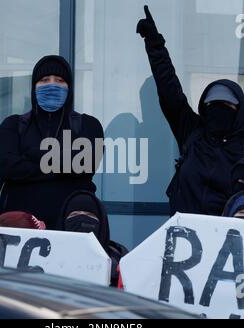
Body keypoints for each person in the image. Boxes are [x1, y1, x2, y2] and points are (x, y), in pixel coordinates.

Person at [137, 6, 244, 216]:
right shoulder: (193, 132)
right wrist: (154, 44)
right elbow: (170, 91)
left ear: (239, 111)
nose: (218, 110)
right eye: (212, 105)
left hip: (229, 241)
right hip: (184, 237)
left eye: (227, 106)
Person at [0, 55, 104, 228]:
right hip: (20, 228)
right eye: (44, 80)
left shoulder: (88, 125)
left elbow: (85, 164)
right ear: (34, 87)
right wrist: (63, 164)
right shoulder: (13, 125)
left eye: (60, 80)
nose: (52, 85)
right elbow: (6, 167)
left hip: (72, 227)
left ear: (70, 87)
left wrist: (31, 155)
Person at [57, 191, 129, 287]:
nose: (82, 219)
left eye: (89, 216)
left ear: (102, 223)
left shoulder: (119, 258)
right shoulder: (48, 256)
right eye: (74, 215)